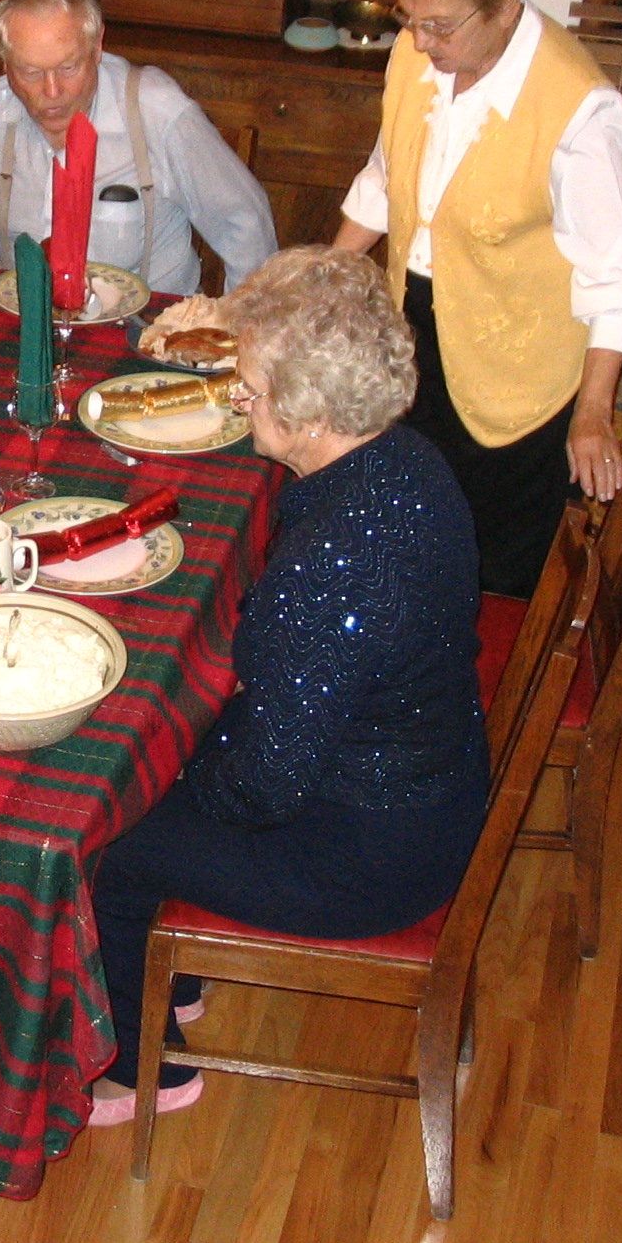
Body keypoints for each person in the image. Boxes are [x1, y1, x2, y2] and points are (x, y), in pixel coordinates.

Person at [85, 247, 487, 1128]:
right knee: (169, 752)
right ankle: (169, 974)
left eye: (253, 388)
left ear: (306, 413)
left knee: (107, 832)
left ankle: (138, 1068)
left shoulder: (330, 568)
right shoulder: (409, 462)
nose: (240, 397)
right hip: (433, 781)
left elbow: (266, 787)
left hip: (369, 855)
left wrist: (172, 769)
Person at [333, 0, 622, 597]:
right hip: (416, 337)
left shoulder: (578, 107)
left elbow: (615, 278)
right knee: (404, 544)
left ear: (508, 4)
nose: (420, 43)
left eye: (441, 27)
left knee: (483, 575)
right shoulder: (418, 59)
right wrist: (325, 270)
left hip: (517, 376)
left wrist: (594, 415)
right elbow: (387, 178)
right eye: (409, 20)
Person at [0, 0, 276, 296]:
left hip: (146, 332)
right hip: (26, 323)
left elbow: (245, 225)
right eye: (30, 73)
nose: (52, 90)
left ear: (97, 46)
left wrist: (235, 334)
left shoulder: (157, 112)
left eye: (68, 68)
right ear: (5, 63)